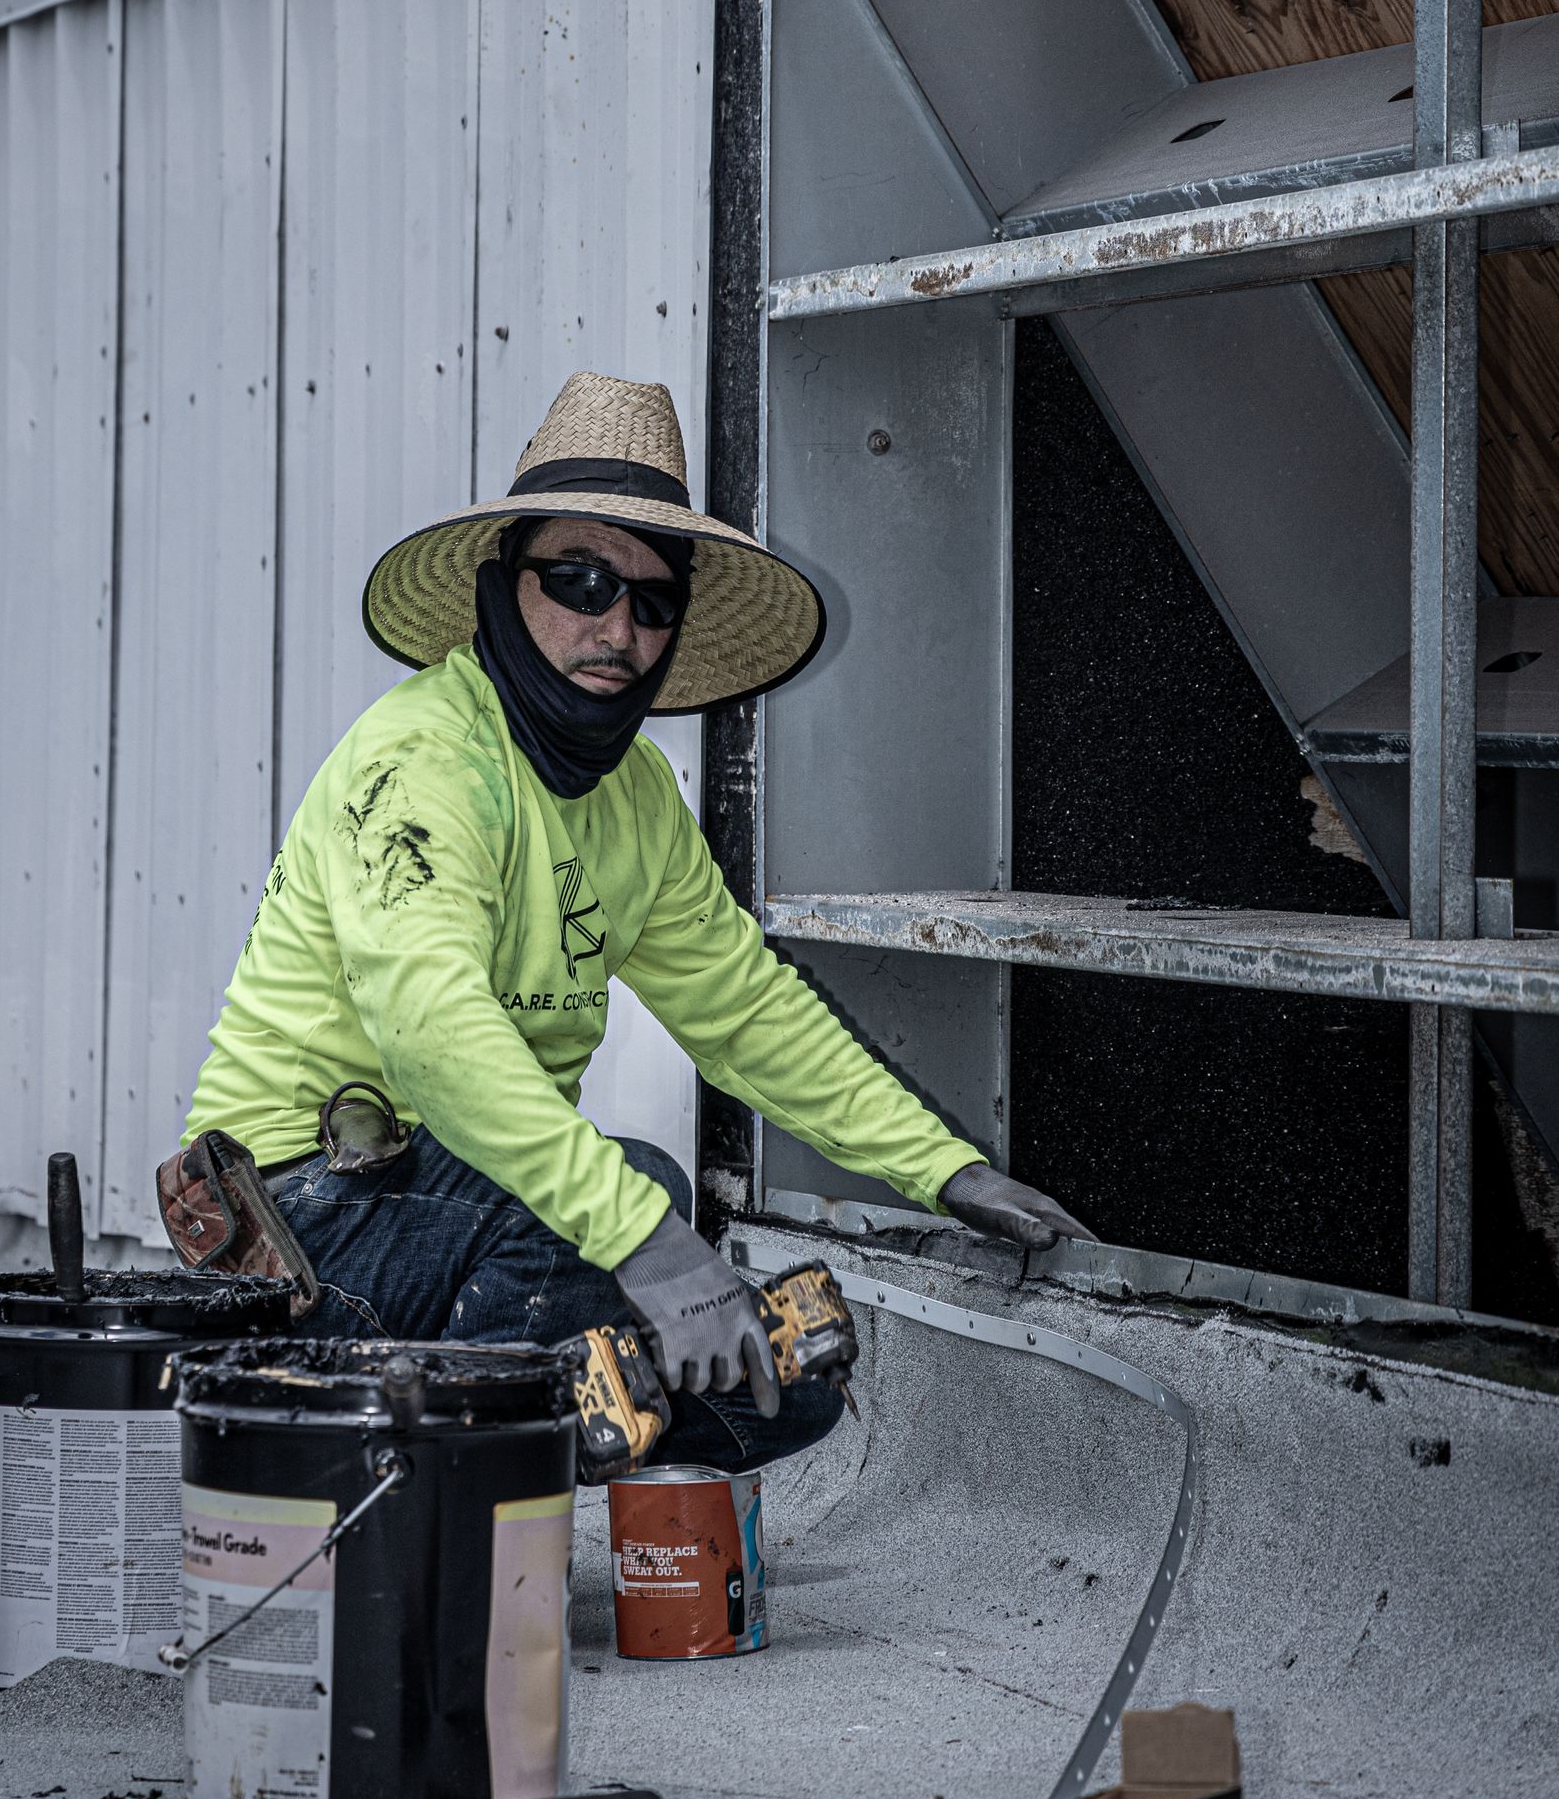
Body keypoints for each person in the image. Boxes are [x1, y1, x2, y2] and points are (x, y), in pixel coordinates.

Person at [184, 371, 1090, 1472]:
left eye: (653, 602)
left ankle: (454, 1452)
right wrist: (650, 1247)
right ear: (500, 583)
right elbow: (433, 1029)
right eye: (579, 580)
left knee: (787, 1390)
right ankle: (357, 1462)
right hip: (300, 1220)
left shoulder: (636, 799)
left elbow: (747, 1013)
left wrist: (947, 1172)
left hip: (460, 1213)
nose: (616, 626)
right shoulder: (422, 761)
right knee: (643, 1197)